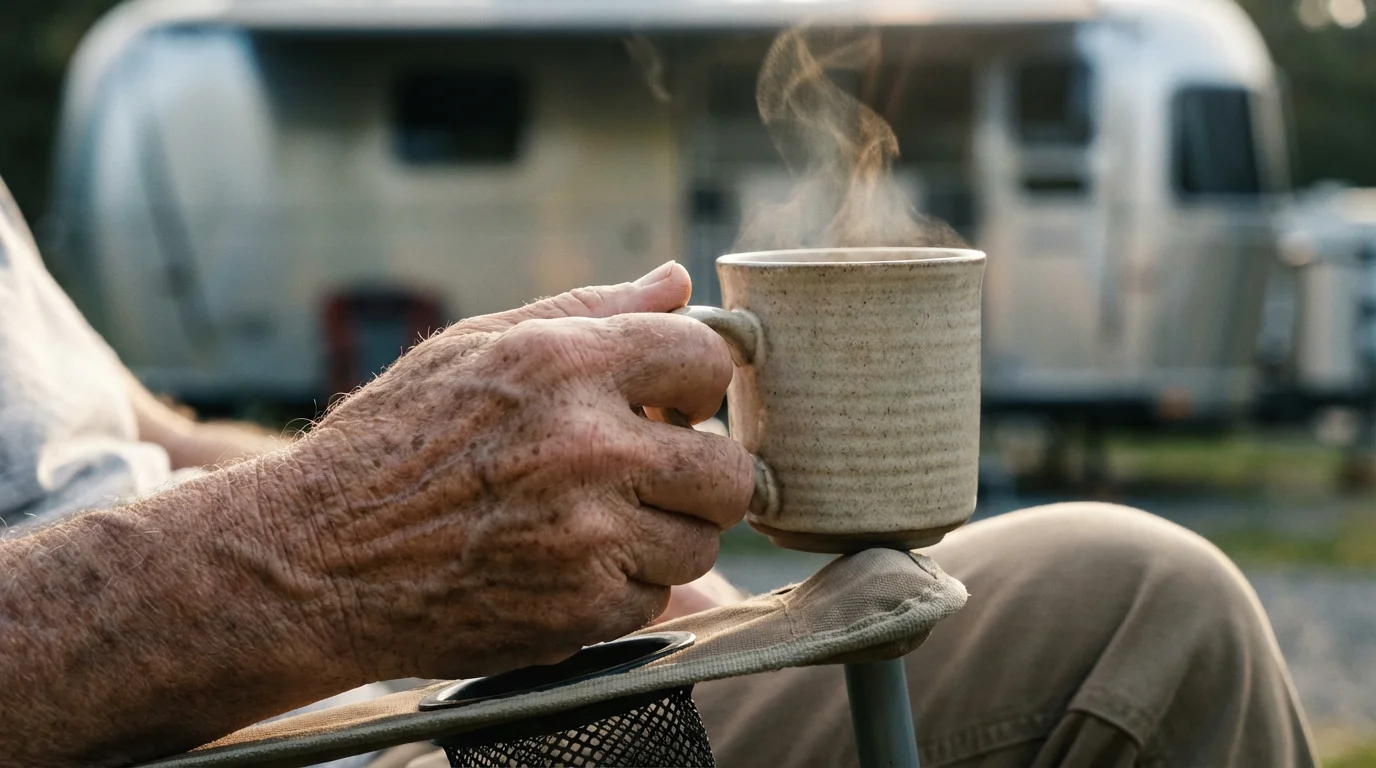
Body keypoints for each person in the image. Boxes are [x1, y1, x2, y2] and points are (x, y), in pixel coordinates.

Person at [0, 175, 1319, 768]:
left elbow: (133, 440)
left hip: (387, 708)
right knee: (1139, 613)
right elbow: (299, 533)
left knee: (1135, 603)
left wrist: (472, 500)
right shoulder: (324, 566)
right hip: (261, 739)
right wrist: (333, 547)